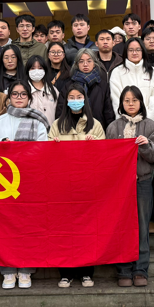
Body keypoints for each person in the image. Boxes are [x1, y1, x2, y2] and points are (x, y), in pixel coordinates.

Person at [0, 82, 49, 289]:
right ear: (9, 97)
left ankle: (26, 270)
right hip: (5, 183)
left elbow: (44, 148)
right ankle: (8, 270)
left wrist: (23, 151)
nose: (19, 97)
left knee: (28, 227)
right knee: (6, 227)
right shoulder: (0, 121)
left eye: (23, 94)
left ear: (29, 98)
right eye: (15, 94)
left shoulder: (38, 122)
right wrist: (2, 145)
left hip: (30, 182)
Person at [49, 83, 105, 288]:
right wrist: (52, 146)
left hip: (87, 186)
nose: (75, 100)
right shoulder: (57, 124)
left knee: (87, 230)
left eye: (79, 96)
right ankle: (65, 273)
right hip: (63, 186)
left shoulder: (95, 125)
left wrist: (95, 142)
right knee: (64, 231)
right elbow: (46, 156)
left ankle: (87, 273)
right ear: (66, 100)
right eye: (71, 97)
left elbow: (105, 154)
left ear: (85, 99)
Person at [106, 86, 154, 287]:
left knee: (142, 226)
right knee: (121, 226)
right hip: (119, 186)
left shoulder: (151, 126)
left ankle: (140, 270)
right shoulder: (113, 127)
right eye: (127, 100)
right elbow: (107, 157)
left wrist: (145, 145)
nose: (130, 104)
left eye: (134, 100)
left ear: (141, 103)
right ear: (121, 103)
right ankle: (123, 269)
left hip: (143, 182)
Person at [55, 48, 115, 129]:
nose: (85, 64)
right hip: (73, 130)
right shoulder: (69, 86)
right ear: (77, 64)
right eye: (81, 61)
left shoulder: (103, 86)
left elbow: (108, 112)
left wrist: (109, 130)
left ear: (94, 63)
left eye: (89, 61)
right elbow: (61, 111)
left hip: (97, 130)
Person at [109, 38, 154, 123]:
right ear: (126, 52)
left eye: (138, 50)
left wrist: (149, 124)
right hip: (125, 124)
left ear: (143, 51)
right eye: (131, 50)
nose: (134, 53)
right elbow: (116, 101)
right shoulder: (117, 72)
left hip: (149, 124)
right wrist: (126, 123)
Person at [26, 55, 59, 126]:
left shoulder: (53, 90)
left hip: (50, 131)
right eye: (33, 68)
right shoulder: (23, 90)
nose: (36, 71)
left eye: (40, 68)